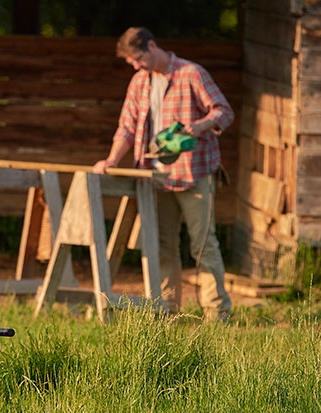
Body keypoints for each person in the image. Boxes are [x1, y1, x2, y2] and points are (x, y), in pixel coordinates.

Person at [93, 26, 234, 322]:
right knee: (162, 244)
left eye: (137, 59)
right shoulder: (138, 82)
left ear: (152, 47)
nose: (135, 65)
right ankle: (167, 310)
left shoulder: (191, 74)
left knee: (202, 243)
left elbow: (224, 111)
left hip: (194, 173)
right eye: (131, 62)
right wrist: (111, 159)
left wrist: (200, 125)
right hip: (155, 177)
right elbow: (127, 127)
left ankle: (216, 312)